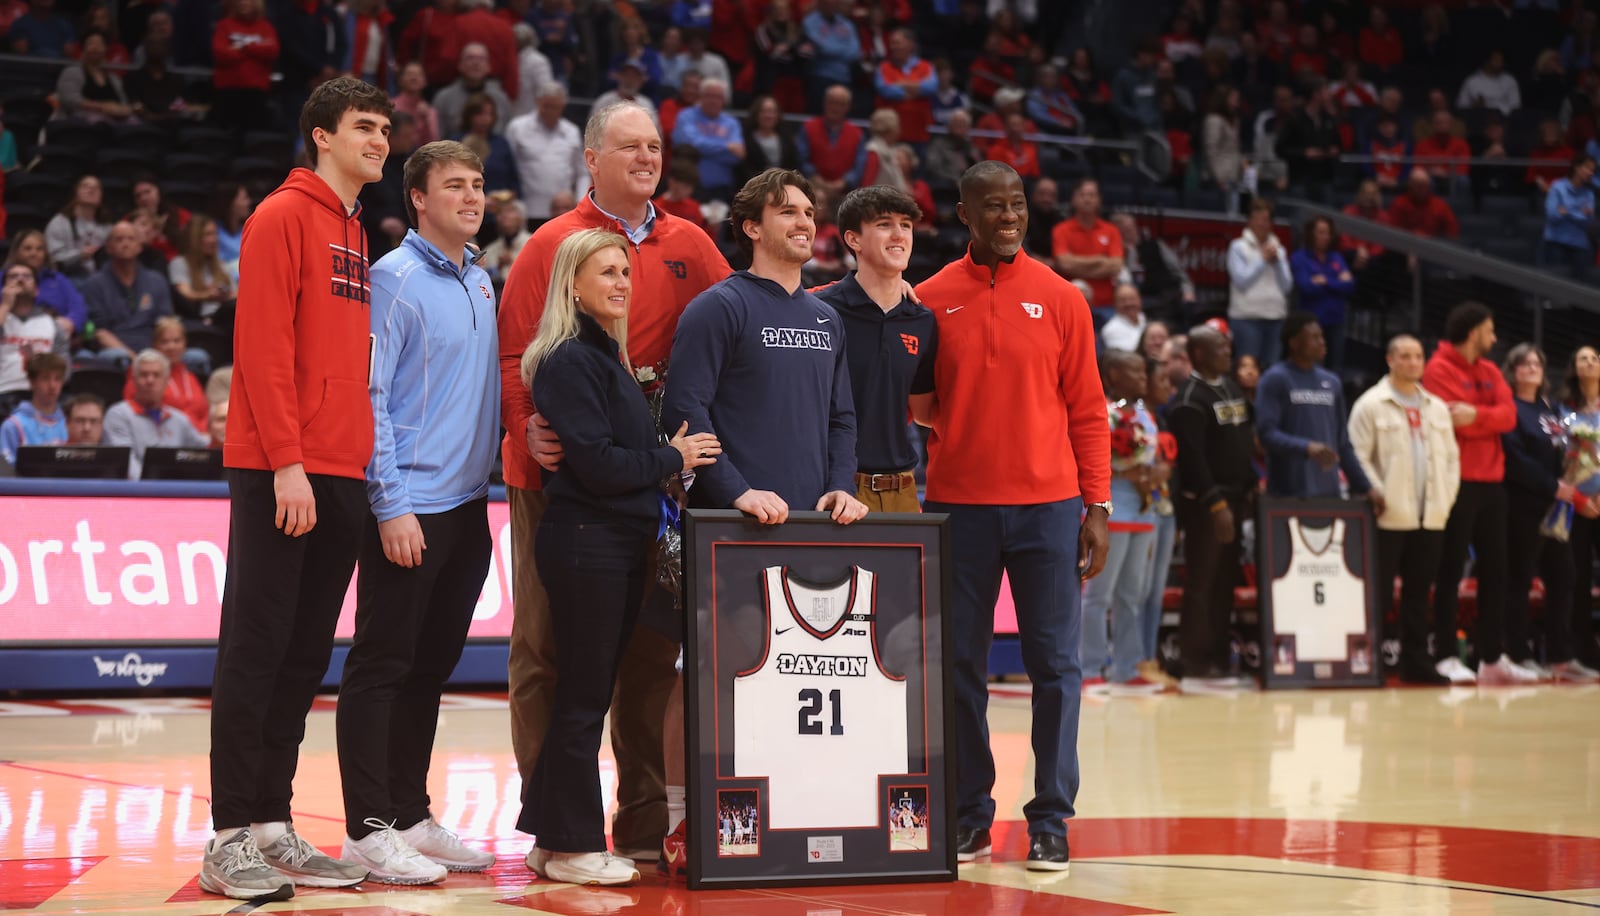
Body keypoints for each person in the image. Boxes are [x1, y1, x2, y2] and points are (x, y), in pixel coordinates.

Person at [498, 100, 729, 874]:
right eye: (628, 146)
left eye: (656, 146)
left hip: (646, 484)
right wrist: (526, 424)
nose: (645, 156)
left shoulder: (691, 243)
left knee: (644, 658)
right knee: (550, 652)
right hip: (564, 476)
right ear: (590, 157)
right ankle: (556, 827)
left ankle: (637, 825)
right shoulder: (551, 245)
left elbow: (735, 332)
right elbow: (513, 356)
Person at [202, 77, 393, 901]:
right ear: (321, 135)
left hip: (342, 469)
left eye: (385, 127)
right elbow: (264, 348)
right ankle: (228, 834)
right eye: (363, 127)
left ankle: (274, 824)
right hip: (283, 467)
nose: (379, 140)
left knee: (305, 654)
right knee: (257, 648)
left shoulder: (354, 231)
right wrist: (286, 459)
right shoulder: (282, 217)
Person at [909, 161, 1110, 872]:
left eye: (1017, 205)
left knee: (1055, 665)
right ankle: (969, 815)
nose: (1008, 217)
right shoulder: (928, 300)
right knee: (959, 665)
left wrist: (1098, 504)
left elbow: (1088, 408)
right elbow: (914, 404)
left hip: (1049, 508)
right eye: (992, 207)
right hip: (957, 507)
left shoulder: (1061, 298)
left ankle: (1051, 819)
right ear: (963, 213)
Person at [336, 140, 500, 884]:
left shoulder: (481, 279)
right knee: (381, 668)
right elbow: (371, 399)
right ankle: (366, 829)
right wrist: (391, 504)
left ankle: (409, 812)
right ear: (419, 201)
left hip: (468, 507)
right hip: (409, 509)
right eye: (455, 186)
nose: (472, 197)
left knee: (429, 670)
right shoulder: (392, 281)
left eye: (479, 185)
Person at [662, 168, 867, 524]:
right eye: (787, 212)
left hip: (816, 518)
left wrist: (841, 485)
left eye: (808, 213)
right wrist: (736, 491)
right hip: (736, 521)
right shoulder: (717, 307)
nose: (803, 222)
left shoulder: (828, 319)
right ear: (752, 227)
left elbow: (842, 419)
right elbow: (684, 409)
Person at [814, 185, 936, 512]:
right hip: (832, 487)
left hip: (903, 490)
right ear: (853, 239)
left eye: (906, 225)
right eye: (884, 224)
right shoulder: (817, 311)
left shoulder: (922, 319)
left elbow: (924, 412)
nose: (899, 234)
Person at [1348, 335, 1460, 684]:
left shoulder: (1437, 407)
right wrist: (1376, 492)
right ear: (1390, 360)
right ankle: (1371, 662)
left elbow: (1452, 460)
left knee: (1417, 593)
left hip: (1431, 516)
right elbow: (1356, 455)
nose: (1413, 362)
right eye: (1406, 356)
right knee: (1377, 594)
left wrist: (1446, 497)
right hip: (1387, 517)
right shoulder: (1370, 405)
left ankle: (1416, 663)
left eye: (1418, 356)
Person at [1423, 302, 1519, 687]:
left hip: (1493, 483)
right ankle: (1446, 654)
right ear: (1472, 332)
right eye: (1489, 330)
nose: (1494, 338)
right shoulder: (1437, 369)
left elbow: (1508, 416)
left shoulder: (1492, 370)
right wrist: (1487, 417)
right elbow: (1449, 422)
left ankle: (1491, 657)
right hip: (1456, 483)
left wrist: (1479, 417)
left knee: (1497, 572)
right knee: (1449, 572)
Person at [1500, 344, 1598, 683]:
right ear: (1512, 371)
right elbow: (1513, 459)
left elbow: (1578, 439)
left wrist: (1581, 473)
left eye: (1537, 363)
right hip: (1524, 505)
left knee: (1564, 577)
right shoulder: (1509, 408)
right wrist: (1552, 485)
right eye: (1524, 363)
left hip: (1558, 509)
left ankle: (1561, 656)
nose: (1532, 368)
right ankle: (1517, 653)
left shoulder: (1551, 407)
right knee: (1520, 579)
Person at [1169, 326, 1257, 691]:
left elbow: (1242, 442)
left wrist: (1252, 484)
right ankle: (1196, 658)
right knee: (1203, 582)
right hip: (1208, 505)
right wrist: (1217, 504)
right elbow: (1193, 460)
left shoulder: (1231, 387)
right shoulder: (1189, 398)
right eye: (1220, 347)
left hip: (1237, 498)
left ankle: (1221, 655)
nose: (1228, 351)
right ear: (1200, 354)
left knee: (1225, 582)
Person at [1083, 350, 1164, 694]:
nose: (1143, 377)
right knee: (1099, 595)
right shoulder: (1102, 411)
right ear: (1113, 374)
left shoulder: (1145, 413)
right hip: (1112, 510)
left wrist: (1155, 473)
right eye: (1135, 370)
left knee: (1132, 594)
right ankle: (1089, 669)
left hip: (1145, 509)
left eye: (1144, 371)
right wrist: (1124, 470)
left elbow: (1153, 455)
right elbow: (1091, 457)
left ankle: (1126, 668)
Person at [1255, 313, 1377, 506]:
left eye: (1321, 336)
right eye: (1314, 337)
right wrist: (1306, 447)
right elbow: (1266, 434)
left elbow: (1343, 444)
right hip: (1288, 492)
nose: (1322, 342)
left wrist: (1366, 487)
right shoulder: (1275, 378)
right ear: (1294, 343)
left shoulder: (1332, 381)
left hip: (1329, 492)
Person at [1136, 354, 1179, 690]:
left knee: (1155, 593)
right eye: (1162, 380)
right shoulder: (1132, 419)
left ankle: (1149, 657)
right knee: (1138, 589)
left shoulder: (1163, 419)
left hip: (1165, 511)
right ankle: (1133, 659)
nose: (1168, 386)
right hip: (1141, 508)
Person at [104, 348, 209, 477]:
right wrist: (154, 489)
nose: (150, 380)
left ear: (166, 381)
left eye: (156, 375)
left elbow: (204, 452)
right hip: (137, 492)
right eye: (144, 375)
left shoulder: (179, 419)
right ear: (134, 380)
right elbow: (125, 463)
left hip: (176, 491)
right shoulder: (119, 414)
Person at [1562, 345, 1600, 674]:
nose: (1588, 362)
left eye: (1594, 358)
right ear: (1574, 368)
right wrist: (1579, 498)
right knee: (1578, 578)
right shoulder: (1565, 412)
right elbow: (1562, 462)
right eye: (1582, 359)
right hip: (1578, 504)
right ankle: (1584, 653)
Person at [506, 83, 587, 222]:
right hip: (528, 209)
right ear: (538, 102)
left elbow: (582, 172)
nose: (550, 111)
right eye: (546, 106)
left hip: (563, 211)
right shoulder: (517, 128)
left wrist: (580, 202)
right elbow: (507, 168)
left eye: (555, 107)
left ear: (563, 106)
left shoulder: (571, 131)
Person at [1226, 198, 1291, 367]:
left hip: (1275, 317)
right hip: (1247, 318)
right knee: (1248, 369)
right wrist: (1262, 261)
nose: (1262, 223)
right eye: (1258, 219)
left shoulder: (1279, 250)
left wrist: (1277, 263)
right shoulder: (1237, 247)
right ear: (1249, 221)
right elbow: (1241, 280)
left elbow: (1287, 286)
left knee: (1272, 367)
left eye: (1266, 219)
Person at [0, 262, 67, 419]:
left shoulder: (52, 323)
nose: (20, 280)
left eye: (27, 276)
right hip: (3, 392)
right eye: (13, 277)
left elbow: (64, 366)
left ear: (36, 290)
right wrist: (5, 304)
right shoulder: (2, 317)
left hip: (41, 396)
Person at [120, 316, 208, 432]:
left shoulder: (190, 377)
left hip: (196, 440)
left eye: (177, 341)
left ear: (184, 344)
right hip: (162, 438)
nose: (171, 347)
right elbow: (134, 411)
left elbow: (205, 414)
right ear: (155, 345)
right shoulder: (143, 374)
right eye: (164, 342)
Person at [1290, 216, 1355, 370]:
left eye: (1328, 233)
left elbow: (1350, 286)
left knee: (1336, 366)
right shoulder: (1300, 257)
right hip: (1312, 322)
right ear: (1311, 234)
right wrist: (1336, 281)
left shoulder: (1336, 257)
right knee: (1312, 364)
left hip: (1335, 320)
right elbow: (1306, 287)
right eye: (1321, 232)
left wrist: (1325, 280)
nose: (1325, 237)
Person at [1051, 179, 1123, 312]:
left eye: (1091, 195)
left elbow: (1116, 266)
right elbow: (1064, 264)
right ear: (1073, 199)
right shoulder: (1061, 230)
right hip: (1070, 304)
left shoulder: (1111, 230)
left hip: (1106, 303)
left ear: (1099, 200)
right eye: (1082, 195)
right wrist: (1100, 260)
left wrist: (1077, 265)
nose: (1087, 199)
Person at [1110, 213, 1195, 326]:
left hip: (1168, 294)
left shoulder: (1155, 245)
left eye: (1132, 228)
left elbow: (1178, 270)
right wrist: (1130, 251)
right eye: (1125, 230)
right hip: (1141, 299)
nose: (1130, 232)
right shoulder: (1117, 254)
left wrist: (1188, 290)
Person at [209, 0, 278, 134]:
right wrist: (256, 50)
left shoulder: (265, 27)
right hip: (228, 91)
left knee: (255, 136)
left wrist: (244, 46)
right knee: (226, 135)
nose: (243, 4)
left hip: (256, 92)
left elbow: (272, 51)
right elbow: (220, 53)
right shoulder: (224, 26)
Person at [672, 78, 743, 202]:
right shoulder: (686, 116)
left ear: (724, 100)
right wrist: (727, 146)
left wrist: (703, 150)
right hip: (689, 188)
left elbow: (736, 156)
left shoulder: (732, 123)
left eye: (718, 97)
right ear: (700, 96)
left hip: (722, 190)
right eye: (709, 96)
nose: (713, 101)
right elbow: (689, 146)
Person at [797, 85, 867, 197]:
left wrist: (842, 183)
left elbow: (859, 167)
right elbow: (801, 159)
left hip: (845, 195)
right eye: (832, 102)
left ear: (848, 107)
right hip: (811, 191)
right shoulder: (808, 127)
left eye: (841, 104)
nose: (835, 108)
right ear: (824, 103)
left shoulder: (857, 133)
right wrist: (817, 179)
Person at [433, 43, 512, 141]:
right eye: (470, 58)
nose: (476, 63)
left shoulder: (501, 99)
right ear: (460, 65)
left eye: (481, 59)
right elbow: (438, 137)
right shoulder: (444, 99)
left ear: (488, 67)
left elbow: (506, 134)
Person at [0, 352, 67, 463]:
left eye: (58, 379)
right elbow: (6, 471)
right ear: (32, 382)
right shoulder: (13, 425)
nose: (52, 385)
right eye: (45, 379)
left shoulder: (71, 422)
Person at [170, 215, 236, 326]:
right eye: (208, 235)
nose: (214, 239)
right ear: (195, 238)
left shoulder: (222, 265)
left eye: (215, 234)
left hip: (225, 317)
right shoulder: (179, 263)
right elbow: (185, 294)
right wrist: (208, 295)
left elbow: (236, 293)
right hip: (198, 320)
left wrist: (225, 295)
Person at [1540, 155, 1597, 283]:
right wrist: (1578, 213)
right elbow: (1552, 216)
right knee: (1556, 283)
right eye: (1588, 169)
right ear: (1577, 167)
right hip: (1556, 242)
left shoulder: (1589, 194)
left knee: (1580, 286)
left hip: (1579, 245)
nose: (1591, 173)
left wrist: (1566, 212)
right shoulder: (1557, 187)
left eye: (1593, 171)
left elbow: (1588, 222)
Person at [44, 175, 112, 280]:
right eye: (85, 186)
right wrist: (79, 255)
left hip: (101, 278)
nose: (91, 189)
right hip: (68, 277)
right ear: (76, 193)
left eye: (96, 188)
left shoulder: (107, 227)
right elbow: (53, 260)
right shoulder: (59, 222)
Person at [482, 198, 530, 284]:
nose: (504, 215)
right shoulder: (489, 250)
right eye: (500, 212)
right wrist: (498, 267)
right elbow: (481, 280)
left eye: (510, 211)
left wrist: (514, 263)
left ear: (521, 218)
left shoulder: (532, 244)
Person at [1100, 283, 1147, 353]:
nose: (1128, 303)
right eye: (1122, 300)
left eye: (1132, 299)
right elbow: (1127, 359)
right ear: (1115, 304)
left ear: (1140, 300)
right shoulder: (1111, 329)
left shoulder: (1145, 318)